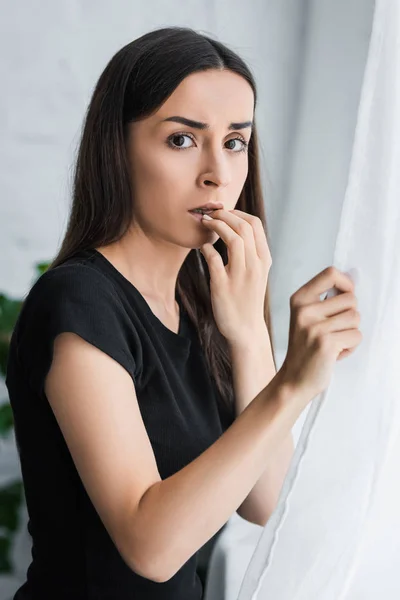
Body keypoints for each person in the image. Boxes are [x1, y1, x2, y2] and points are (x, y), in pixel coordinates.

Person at [5, 26, 362, 600]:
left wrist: (248, 336)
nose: (217, 173)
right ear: (116, 149)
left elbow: (266, 499)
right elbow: (152, 547)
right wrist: (293, 384)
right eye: (181, 140)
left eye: (235, 142)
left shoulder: (204, 305)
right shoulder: (78, 301)